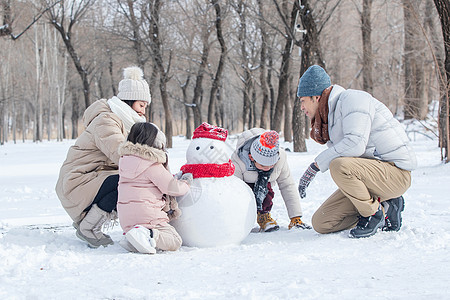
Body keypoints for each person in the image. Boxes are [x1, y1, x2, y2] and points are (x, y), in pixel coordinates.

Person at [296, 65, 417, 238]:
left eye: (302, 100)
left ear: (315, 97)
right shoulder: (330, 118)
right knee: (322, 223)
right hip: (371, 178)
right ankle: (386, 208)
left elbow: (356, 144)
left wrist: (315, 166)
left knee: (339, 165)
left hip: (395, 174)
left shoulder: (353, 99)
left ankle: (372, 214)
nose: (301, 107)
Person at [55, 66, 151, 248]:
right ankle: (88, 227)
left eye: (146, 106)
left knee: (133, 179)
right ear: (129, 101)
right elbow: (122, 155)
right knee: (130, 182)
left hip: (92, 178)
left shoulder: (124, 122)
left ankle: (91, 223)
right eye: (141, 105)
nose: (143, 111)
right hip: (77, 182)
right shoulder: (106, 121)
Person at [117, 122, 192, 254]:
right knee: (175, 240)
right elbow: (172, 187)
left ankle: (134, 239)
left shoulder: (124, 161)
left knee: (142, 234)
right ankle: (148, 234)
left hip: (126, 218)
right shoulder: (151, 164)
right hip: (147, 216)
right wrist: (186, 183)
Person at [231, 129, 311, 232]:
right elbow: (234, 192)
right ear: (251, 157)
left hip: (264, 186)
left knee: (267, 191)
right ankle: (242, 221)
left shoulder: (280, 158)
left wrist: (295, 217)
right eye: (263, 165)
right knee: (245, 196)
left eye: (271, 164)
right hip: (244, 187)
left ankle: (264, 216)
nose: (267, 168)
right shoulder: (238, 160)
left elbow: (287, 185)